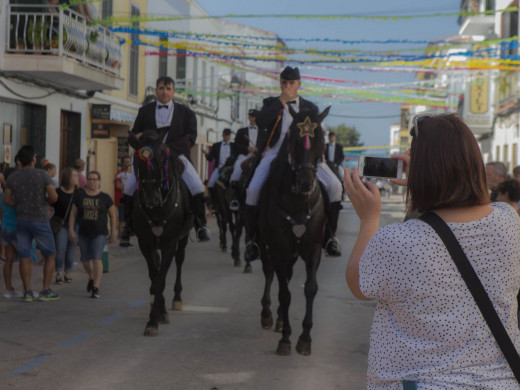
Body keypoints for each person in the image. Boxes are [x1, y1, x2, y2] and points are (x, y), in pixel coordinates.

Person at [344, 113, 520, 388]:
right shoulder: (508, 220)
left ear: (422, 170)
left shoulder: (398, 240)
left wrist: (369, 219)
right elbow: (477, 202)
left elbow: (359, 283)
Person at [243, 66, 343, 261]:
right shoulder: (270, 103)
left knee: (335, 186)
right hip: (274, 152)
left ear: (299, 84)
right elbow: (261, 121)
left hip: (304, 155)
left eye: (291, 83)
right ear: (280, 84)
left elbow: (315, 136)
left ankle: (330, 236)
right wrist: (281, 102)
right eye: (284, 83)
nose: (287, 86)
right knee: (252, 189)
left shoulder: (309, 108)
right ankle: (252, 240)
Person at [120, 76, 210, 242]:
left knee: (197, 186)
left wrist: (169, 149)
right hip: (151, 159)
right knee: (129, 187)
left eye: (168, 89)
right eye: (161, 88)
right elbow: (135, 134)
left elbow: (191, 137)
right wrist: (139, 137)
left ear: (173, 92)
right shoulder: (144, 111)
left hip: (177, 156)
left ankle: (201, 225)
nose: (165, 92)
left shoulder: (186, 113)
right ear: (156, 91)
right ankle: (128, 225)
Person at [4, 145, 59, 302]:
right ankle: (45, 290)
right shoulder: (43, 175)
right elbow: (54, 197)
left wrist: (21, 202)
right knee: (50, 254)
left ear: (20, 161)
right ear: (34, 159)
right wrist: (42, 201)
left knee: (24, 256)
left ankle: (27, 291)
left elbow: (7, 200)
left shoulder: (13, 177)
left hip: (21, 221)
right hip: (40, 220)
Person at [69, 171, 116, 299]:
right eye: (90, 179)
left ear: (99, 181)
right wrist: (71, 229)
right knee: (85, 260)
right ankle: (91, 276)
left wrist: (113, 232)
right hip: (83, 232)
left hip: (100, 233)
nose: (92, 182)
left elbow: (112, 215)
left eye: (95, 179)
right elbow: (73, 214)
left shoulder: (105, 197)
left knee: (97, 258)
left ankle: (96, 287)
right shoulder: (80, 196)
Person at [51, 167, 80, 284]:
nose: (77, 178)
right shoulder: (58, 191)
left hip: (75, 225)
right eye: (74, 175)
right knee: (60, 248)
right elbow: (50, 206)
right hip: (61, 224)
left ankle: (67, 272)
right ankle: (59, 272)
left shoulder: (79, 193)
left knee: (71, 250)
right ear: (68, 177)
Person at [204, 128, 247, 198]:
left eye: (228, 135)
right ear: (222, 135)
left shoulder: (234, 146)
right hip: (219, 169)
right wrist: (207, 155)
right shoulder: (216, 145)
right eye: (225, 135)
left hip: (230, 169)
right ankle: (212, 202)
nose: (227, 137)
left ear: (230, 136)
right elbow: (210, 158)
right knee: (211, 184)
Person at [1, 168, 23, 299]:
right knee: (25, 259)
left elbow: (1, 214)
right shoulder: (16, 195)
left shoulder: (2, 195)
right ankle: (27, 289)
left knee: (8, 259)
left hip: (5, 228)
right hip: (18, 229)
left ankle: (8, 288)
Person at [114, 156, 133, 247]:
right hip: (121, 199)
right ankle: (122, 240)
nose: (127, 164)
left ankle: (126, 239)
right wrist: (129, 188)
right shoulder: (119, 174)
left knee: (128, 220)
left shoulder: (131, 174)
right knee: (122, 220)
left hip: (129, 199)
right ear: (122, 163)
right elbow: (119, 185)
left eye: (129, 162)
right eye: (125, 162)